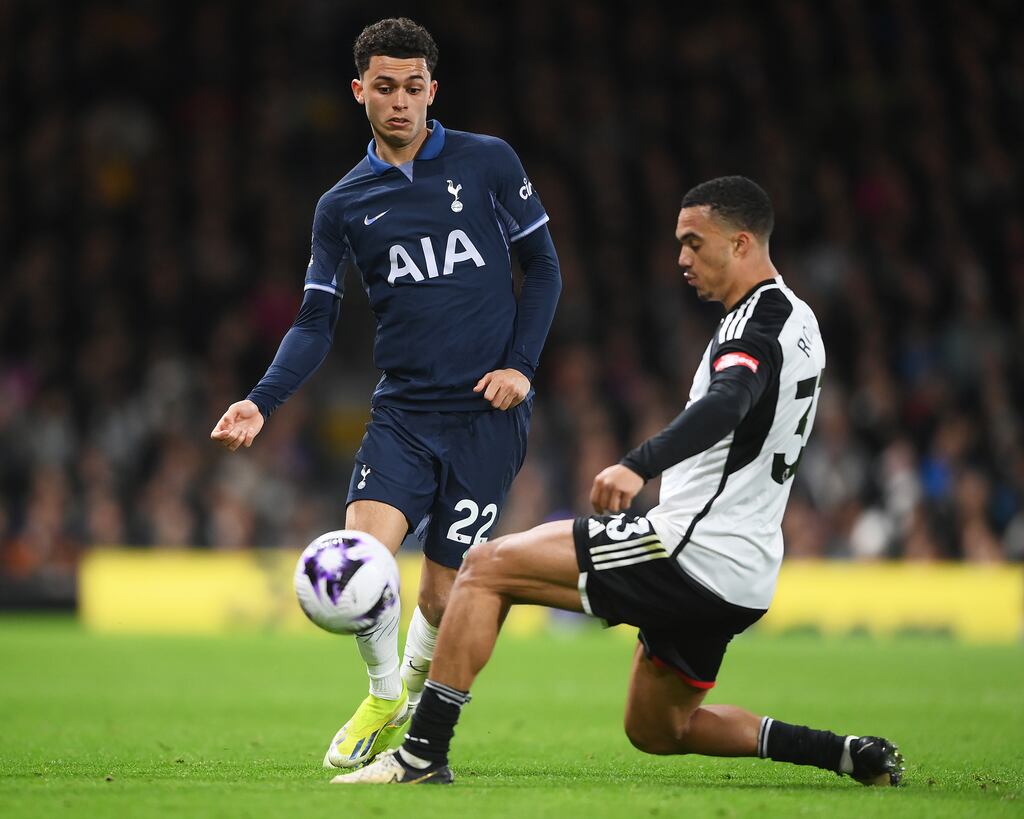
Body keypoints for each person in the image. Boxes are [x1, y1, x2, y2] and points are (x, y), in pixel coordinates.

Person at [332, 176, 904, 787]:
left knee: (484, 569)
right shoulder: (800, 319)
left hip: (689, 549)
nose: (681, 258)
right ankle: (845, 753)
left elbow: (730, 401)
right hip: (746, 573)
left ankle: (421, 756)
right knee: (658, 729)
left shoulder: (753, 325)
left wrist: (639, 463)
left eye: (693, 242)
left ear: (741, 243)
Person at [210, 18, 560, 769]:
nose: (399, 102)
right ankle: (383, 692)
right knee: (360, 561)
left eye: (412, 88)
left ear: (432, 90)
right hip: (402, 412)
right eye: (384, 87)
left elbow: (544, 268)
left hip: (486, 414)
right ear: (358, 91)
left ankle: (408, 684)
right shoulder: (342, 205)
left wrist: (522, 366)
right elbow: (315, 319)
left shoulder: (488, 162)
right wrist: (261, 401)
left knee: (441, 598)